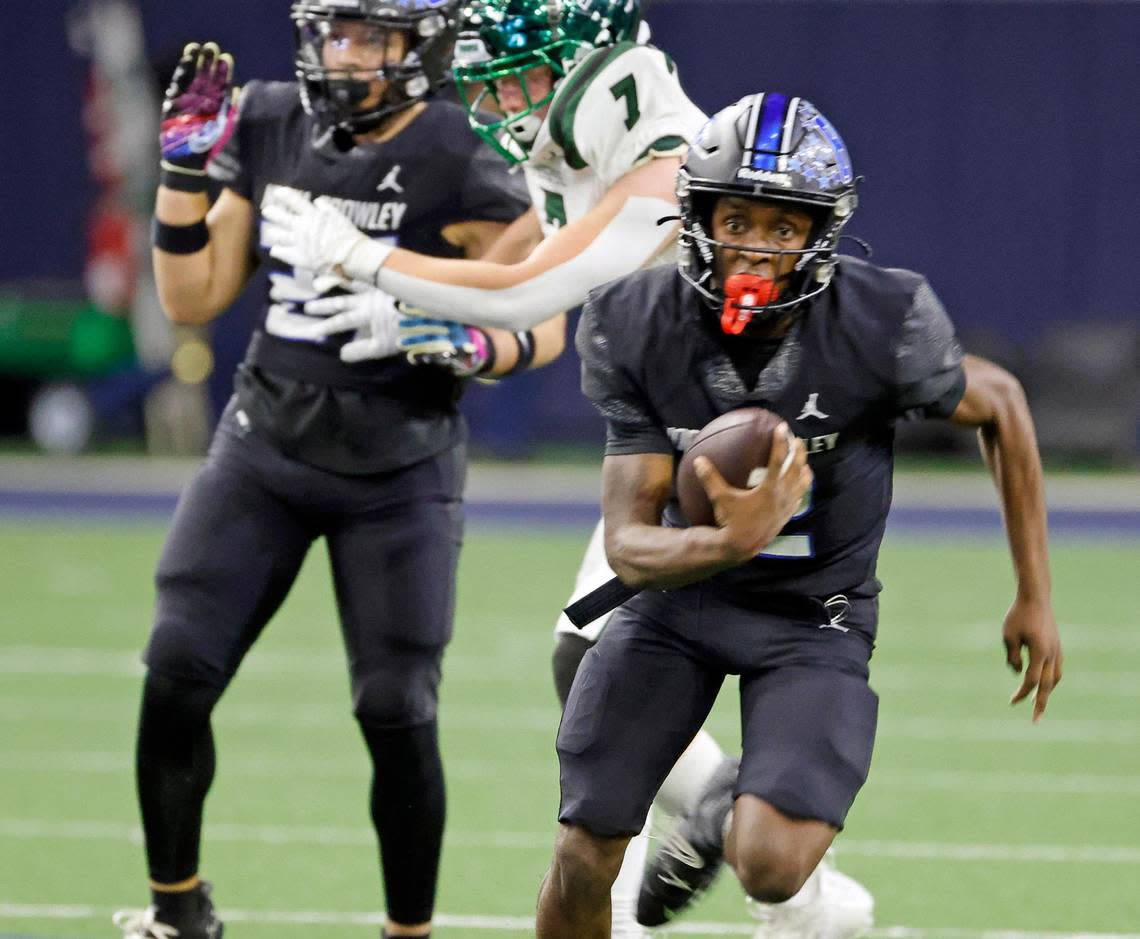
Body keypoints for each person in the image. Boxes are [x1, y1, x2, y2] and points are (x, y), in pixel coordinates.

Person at [257, 3, 868, 935]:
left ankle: (757, 880)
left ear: (589, 67)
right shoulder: (581, 155)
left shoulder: (671, 157)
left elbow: (529, 288)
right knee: (583, 655)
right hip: (684, 440)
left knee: (607, 666)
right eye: (494, 79)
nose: (506, 102)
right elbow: (540, 295)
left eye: (524, 76)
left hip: (750, 451)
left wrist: (367, 260)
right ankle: (757, 852)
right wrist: (440, 324)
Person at [533, 92, 1064, 939]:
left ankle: (795, 886)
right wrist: (725, 537)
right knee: (583, 852)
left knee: (771, 862)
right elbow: (630, 546)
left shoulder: (878, 321)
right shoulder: (636, 321)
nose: (755, 245)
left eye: (784, 227)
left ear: (819, 236)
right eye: (736, 218)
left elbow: (1000, 400)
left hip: (815, 614)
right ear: (697, 215)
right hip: (678, 608)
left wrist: (1034, 592)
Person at [111, 1, 549, 936]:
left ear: (420, 46)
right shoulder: (271, 117)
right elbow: (192, 294)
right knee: (178, 665)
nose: (340, 54)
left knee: (394, 708)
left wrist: (462, 336)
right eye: (332, 32)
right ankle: (176, 910)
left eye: (366, 36)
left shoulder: (460, 153)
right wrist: (181, 173)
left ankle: (408, 932)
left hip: (400, 460)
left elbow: (543, 315)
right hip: (265, 440)